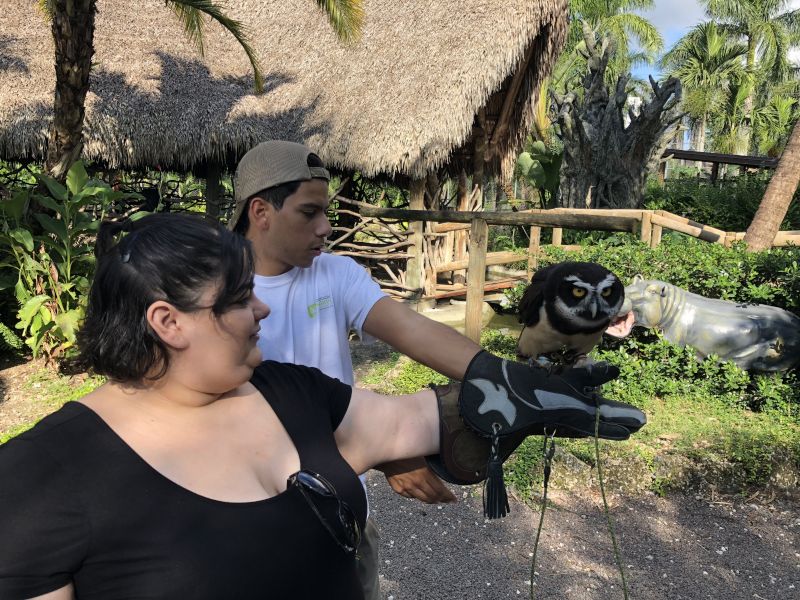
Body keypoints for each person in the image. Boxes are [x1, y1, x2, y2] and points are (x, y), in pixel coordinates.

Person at [0, 214, 644, 599]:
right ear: (169, 322)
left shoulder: (288, 390)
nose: (262, 309)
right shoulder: (39, 479)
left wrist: (514, 392)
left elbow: (413, 421)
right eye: (240, 299)